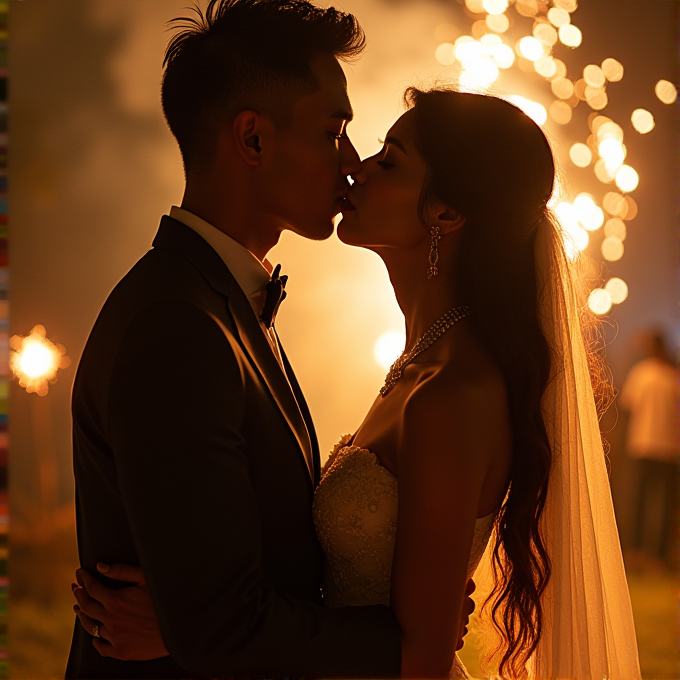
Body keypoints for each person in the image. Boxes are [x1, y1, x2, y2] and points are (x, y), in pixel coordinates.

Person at [72, 73, 642, 680]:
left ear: (446, 212)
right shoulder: (418, 364)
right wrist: (200, 626)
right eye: (349, 139)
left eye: (389, 161)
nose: (358, 168)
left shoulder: (453, 391)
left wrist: (199, 633)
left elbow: (419, 654)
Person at [65, 1, 483, 678]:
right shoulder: (178, 326)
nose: (351, 164)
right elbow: (224, 628)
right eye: (333, 130)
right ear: (253, 139)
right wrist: (404, 638)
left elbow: (247, 576)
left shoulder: (223, 304)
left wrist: (181, 621)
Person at [620, 329, 679, 571]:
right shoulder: (672, 376)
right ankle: (656, 557)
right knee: (662, 503)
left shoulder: (640, 373)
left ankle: (638, 553)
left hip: (644, 445)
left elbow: (627, 404)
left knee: (641, 500)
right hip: (667, 448)